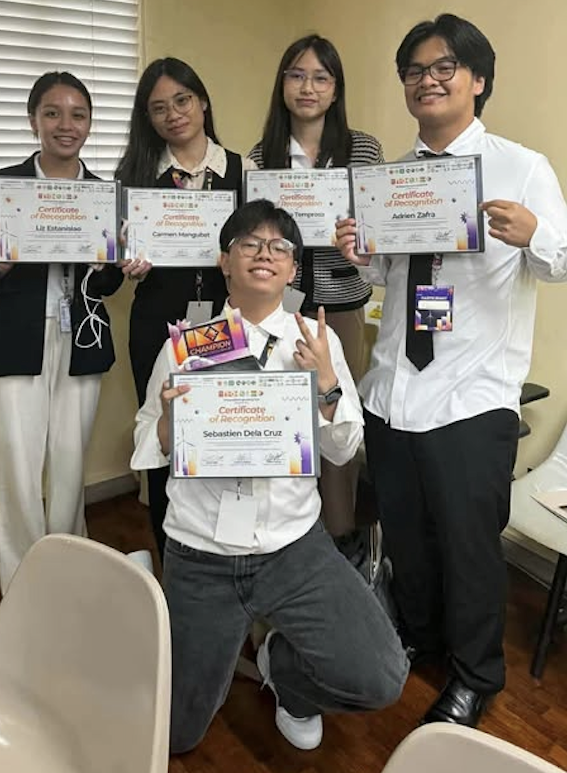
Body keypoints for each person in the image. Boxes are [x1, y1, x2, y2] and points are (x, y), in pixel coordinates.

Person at [336, 13, 567, 727]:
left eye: (442, 68)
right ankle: (419, 636)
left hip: (472, 395)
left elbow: (559, 260)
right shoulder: (391, 179)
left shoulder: (520, 166)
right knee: (405, 533)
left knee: (470, 550)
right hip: (393, 389)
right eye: (413, 71)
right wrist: (356, 250)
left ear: (477, 80)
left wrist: (536, 234)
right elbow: (383, 274)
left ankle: (475, 676)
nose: (426, 81)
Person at [131, 200, 408, 754]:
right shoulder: (186, 345)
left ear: (292, 270)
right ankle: (147, 614)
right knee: (177, 737)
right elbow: (146, 444)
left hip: (292, 546)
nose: (265, 253)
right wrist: (166, 423)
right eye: (248, 244)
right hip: (200, 549)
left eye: (280, 246)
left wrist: (327, 385)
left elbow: (344, 447)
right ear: (224, 263)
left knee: (381, 677)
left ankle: (285, 672)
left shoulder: (315, 344)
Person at [0, 71, 124, 594]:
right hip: (17, 339)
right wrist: (0, 265)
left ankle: (69, 568)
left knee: (70, 462)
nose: (65, 125)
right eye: (52, 113)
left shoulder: (105, 193)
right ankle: (24, 584)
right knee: (17, 460)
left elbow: (109, 281)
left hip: (80, 340)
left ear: (90, 124)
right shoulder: (1, 186)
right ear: (33, 120)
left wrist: (114, 264)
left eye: (78, 115)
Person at [116, 58, 255, 558]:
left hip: (224, 322)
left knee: (225, 430)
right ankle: (171, 554)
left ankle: (227, 556)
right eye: (158, 108)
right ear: (148, 119)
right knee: (164, 435)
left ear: (202, 103)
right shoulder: (134, 175)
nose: (173, 114)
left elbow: (263, 247)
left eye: (181, 100)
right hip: (157, 323)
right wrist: (125, 262)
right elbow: (110, 274)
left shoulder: (242, 170)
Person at [249, 34, 384, 540]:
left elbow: (375, 233)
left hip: (342, 306)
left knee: (338, 421)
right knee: (284, 423)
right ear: (282, 84)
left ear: (335, 90)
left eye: (321, 77)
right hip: (280, 310)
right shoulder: (262, 156)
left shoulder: (363, 148)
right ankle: (292, 538)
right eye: (297, 75)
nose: (308, 87)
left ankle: (341, 535)